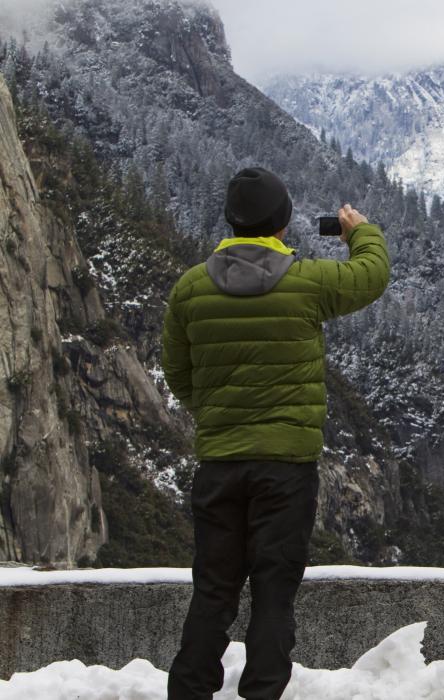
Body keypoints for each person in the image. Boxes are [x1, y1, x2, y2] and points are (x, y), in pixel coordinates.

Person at [161, 166, 390, 699]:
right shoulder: (306, 282)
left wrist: (216, 415)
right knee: (273, 591)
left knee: (213, 590)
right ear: (283, 223)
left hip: (219, 465)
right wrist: (360, 231)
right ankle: (262, 692)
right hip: (285, 469)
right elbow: (371, 275)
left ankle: (189, 691)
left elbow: (176, 370)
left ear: (231, 222)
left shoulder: (191, 288)